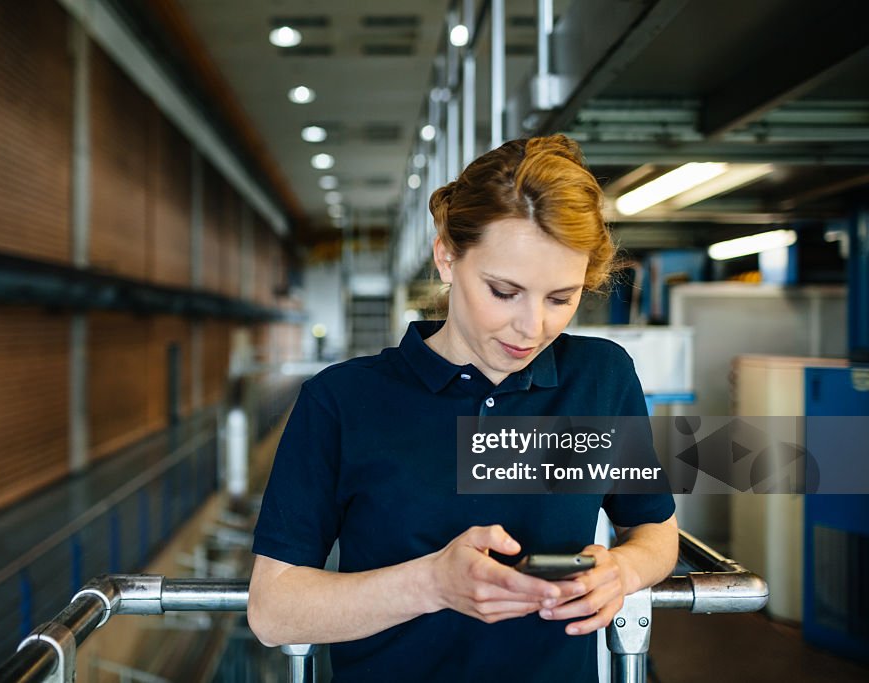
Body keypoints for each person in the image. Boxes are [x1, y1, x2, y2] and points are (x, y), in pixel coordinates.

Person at [247, 135, 679, 681]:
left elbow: (655, 531)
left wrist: (622, 569)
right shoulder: (341, 401)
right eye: (503, 291)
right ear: (446, 256)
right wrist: (429, 583)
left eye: (560, 298)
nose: (532, 327)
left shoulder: (601, 378)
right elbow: (273, 611)